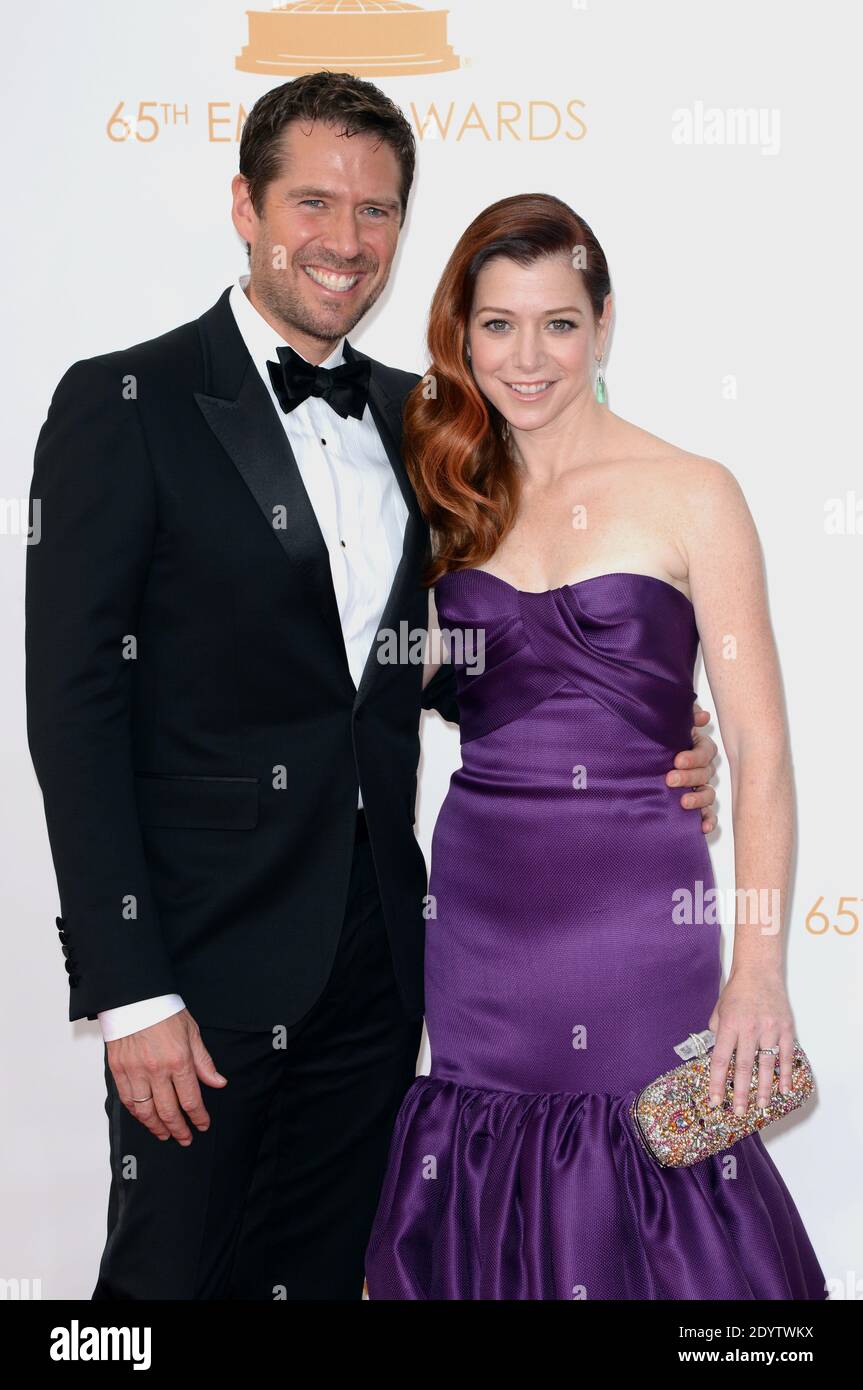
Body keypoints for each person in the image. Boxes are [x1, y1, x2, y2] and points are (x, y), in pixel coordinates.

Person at [25, 75, 717, 1300]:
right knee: (160, 1286)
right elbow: (72, 709)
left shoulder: (429, 423)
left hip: (389, 960)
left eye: (377, 210)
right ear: (243, 204)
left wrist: (642, 728)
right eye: (312, 201)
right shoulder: (119, 402)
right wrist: (130, 988)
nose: (344, 240)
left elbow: (456, 661)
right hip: (199, 958)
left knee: (328, 1270)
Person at [364, 193, 827, 1300]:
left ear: (604, 323)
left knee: (653, 1173)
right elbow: (396, 682)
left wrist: (756, 969)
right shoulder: (442, 497)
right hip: (478, 909)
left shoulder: (692, 492)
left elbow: (759, 750)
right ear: (462, 334)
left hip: (636, 910)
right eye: (497, 325)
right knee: (484, 1161)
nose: (528, 357)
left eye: (558, 322)